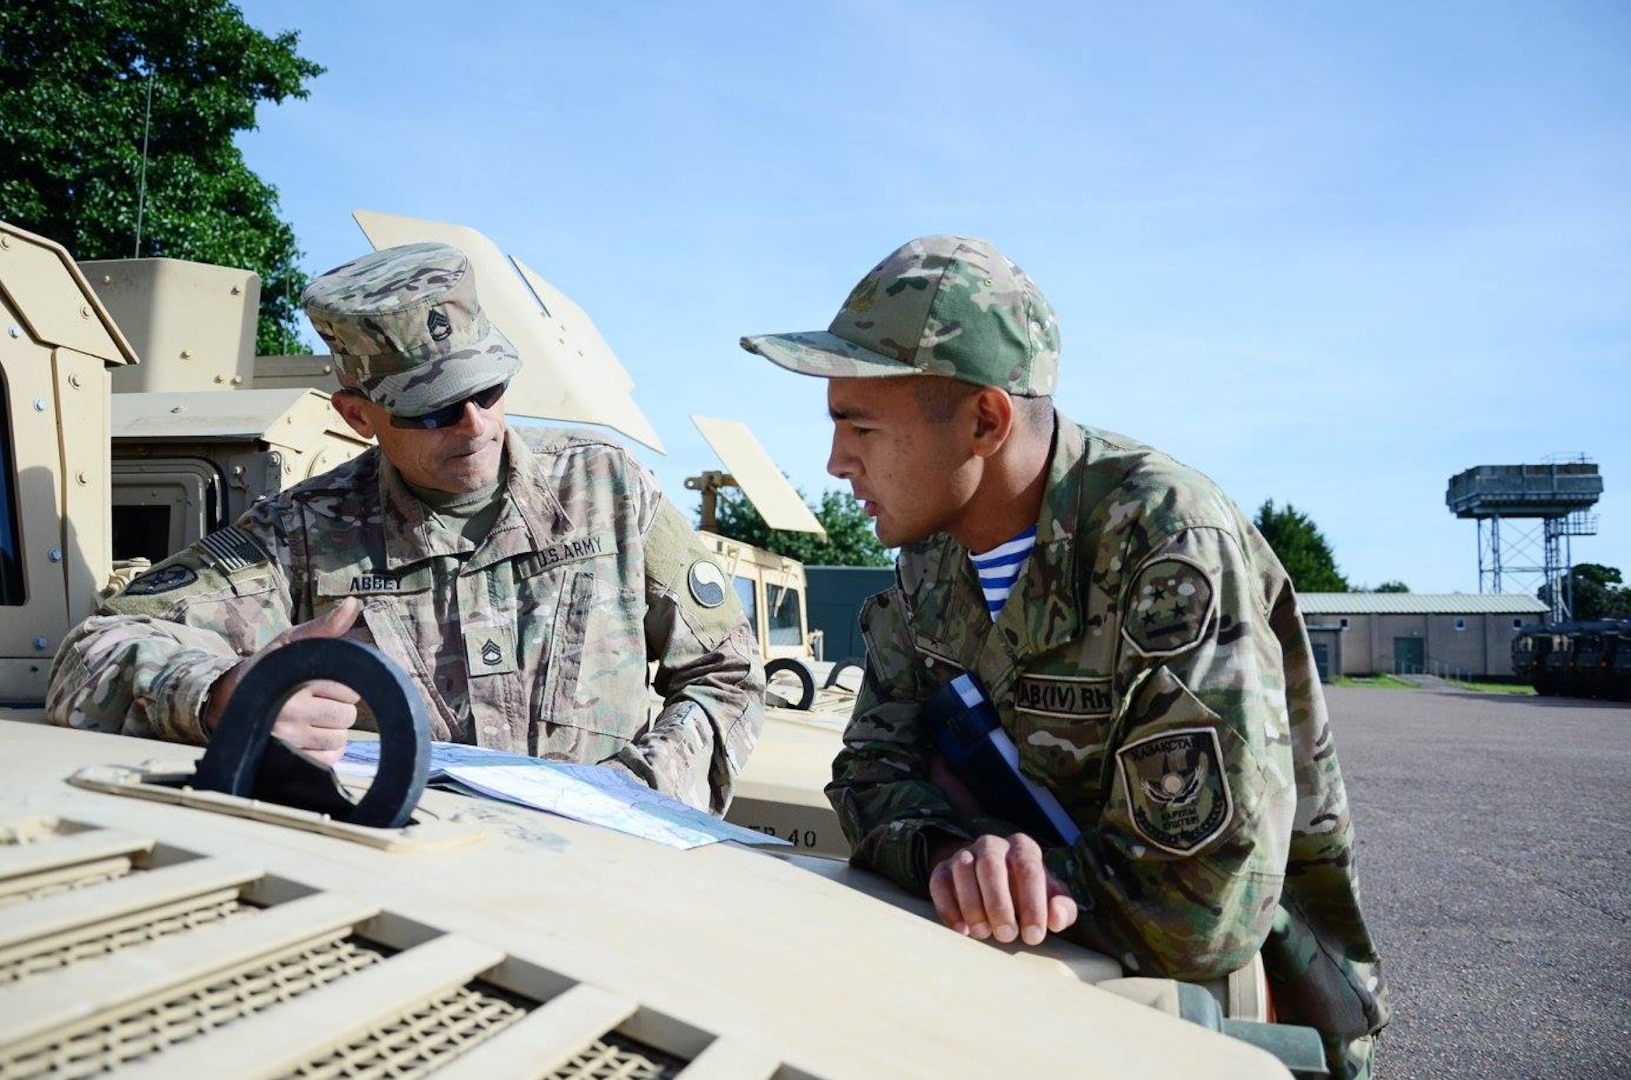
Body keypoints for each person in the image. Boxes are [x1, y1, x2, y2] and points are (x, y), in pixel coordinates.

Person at [740, 235, 1389, 1075]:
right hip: (1025, 994)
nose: (835, 462)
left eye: (858, 425)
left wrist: (1015, 868)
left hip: (1228, 1024)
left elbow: (1200, 913)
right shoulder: (927, 557)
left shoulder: (1163, 539)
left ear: (984, 420)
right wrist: (954, 855)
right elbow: (865, 775)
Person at [48, 241, 764, 814]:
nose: (475, 424)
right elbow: (91, 654)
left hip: (604, 878)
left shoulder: (609, 491)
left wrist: (638, 793)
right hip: (410, 878)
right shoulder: (303, 535)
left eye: (487, 390)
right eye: (432, 409)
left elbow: (728, 673)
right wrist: (224, 695)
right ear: (356, 416)